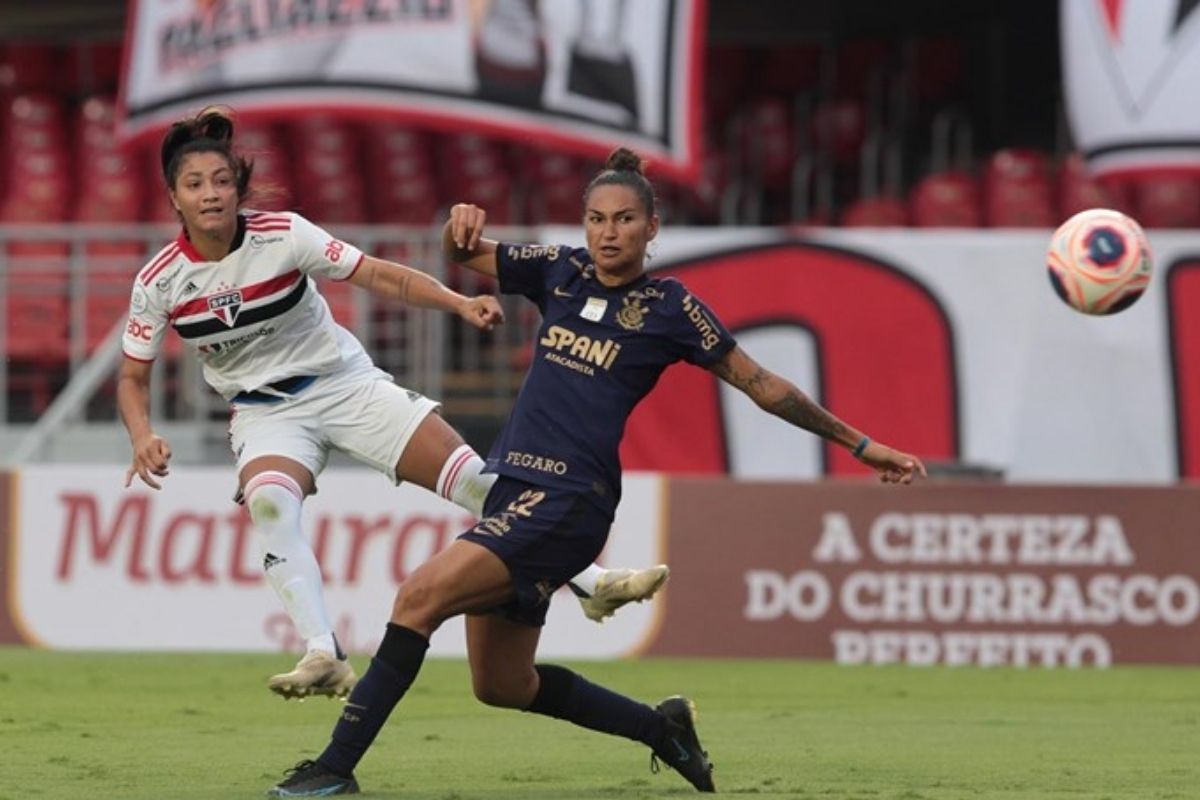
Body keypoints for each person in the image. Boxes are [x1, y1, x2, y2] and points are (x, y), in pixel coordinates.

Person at [266, 147, 926, 796]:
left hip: (570, 501)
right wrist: (458, 225)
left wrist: (860, 444)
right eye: (597, 219)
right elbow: (467, 254)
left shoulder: (671, 308)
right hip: (513, 496)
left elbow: (763, 384)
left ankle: (333, 768)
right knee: (502, 686)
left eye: (624, 220)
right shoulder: (559, 270)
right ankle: (662, 729)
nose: (609, 233)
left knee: (417, 599)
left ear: (652, 227)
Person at [116, 108, 671, 702]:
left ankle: (592, 584)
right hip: (264, 412)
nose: (211, 194)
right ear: (174, 197)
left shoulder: (284, 234)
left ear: (237, 188)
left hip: (344, 385)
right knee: (271, 506)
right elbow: (132, 377)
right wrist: (142, 435)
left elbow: (382, 277)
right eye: (195, 184)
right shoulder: (161, 281)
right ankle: (323, 654)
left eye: (221, 181)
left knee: (479, 485)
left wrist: (459, 302)